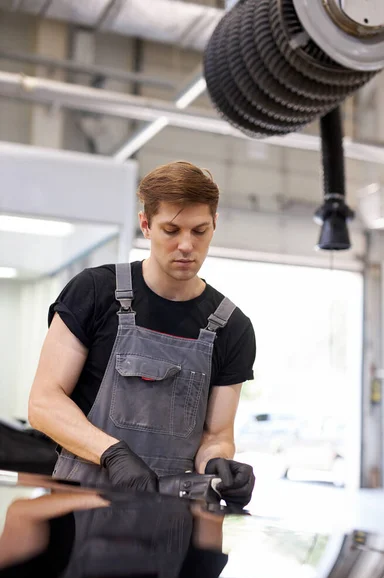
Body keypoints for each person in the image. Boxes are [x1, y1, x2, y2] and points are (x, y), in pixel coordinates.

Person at [28, 161, 256, 507]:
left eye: (199, 231)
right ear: (146, 225)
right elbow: (44, 403)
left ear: (214, 225)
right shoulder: (94, 292)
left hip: (171, 520)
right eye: (171, 229)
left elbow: (217, 435)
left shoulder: (232, 327)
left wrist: (219, 466)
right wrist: (112, 454)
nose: (185, 245)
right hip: (78, 511)